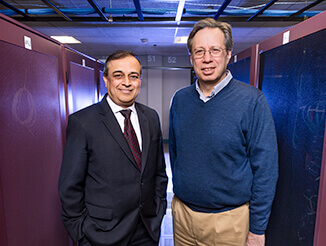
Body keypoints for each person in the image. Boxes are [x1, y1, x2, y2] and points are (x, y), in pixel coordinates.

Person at [169, 18, 278, 246]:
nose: (207, 58)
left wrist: (257, 230)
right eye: (199, 52)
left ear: (228, 54)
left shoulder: (252, 101)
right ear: (191, 58)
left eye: (214, 50)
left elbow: (266, 171)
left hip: (229, 223)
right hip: (183, 218)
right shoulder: (180, 99)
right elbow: (176, 152)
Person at [59, 50, 168, 246]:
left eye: (133, 76)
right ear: (106, 80)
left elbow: (159, 172)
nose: (127, 82)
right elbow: (70, 187)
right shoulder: (83, 122)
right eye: (118, 75)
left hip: (146, 230)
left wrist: (158, 211)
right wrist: (82, 234)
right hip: (101, 235)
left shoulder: (151, 117)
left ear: (139, 81)